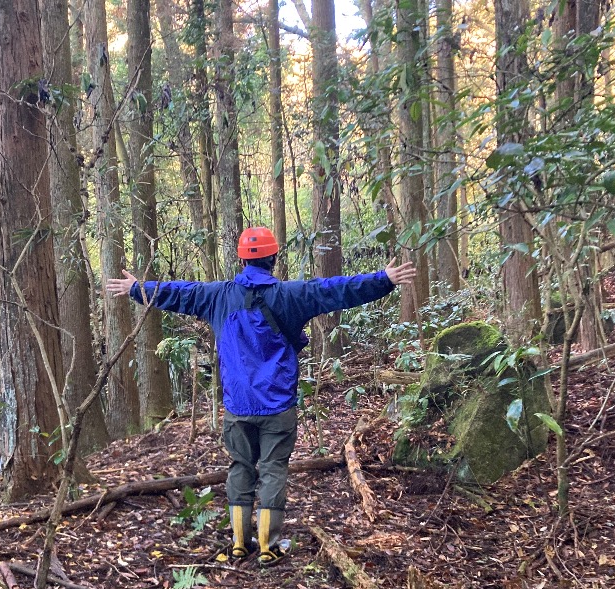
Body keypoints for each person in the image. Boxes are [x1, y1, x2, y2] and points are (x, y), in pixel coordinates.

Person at [106, 226, 416, 565]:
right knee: (273, 468)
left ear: (241, 260)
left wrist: (137, 289)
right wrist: (384, 279)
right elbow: (336, 290)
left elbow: (179, 293)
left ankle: (240, 542)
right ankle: (268, 546)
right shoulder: (291, 295)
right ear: (274, 258)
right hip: (278, 404)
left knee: (241, 466)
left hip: (238, 405)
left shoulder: (217, 296)